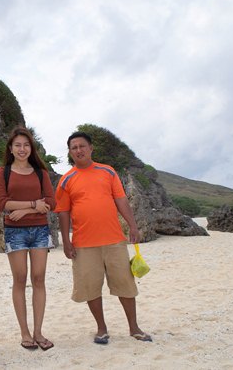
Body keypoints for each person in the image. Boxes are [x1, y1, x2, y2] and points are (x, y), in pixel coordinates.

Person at [55, 131, 152, 344]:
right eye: (74, 148)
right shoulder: (66, 180)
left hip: (114, 240)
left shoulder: (107, 172)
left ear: (91, 148)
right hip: (83, 243)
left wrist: (133, 227)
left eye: (82, 146)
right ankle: (101, 328)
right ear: (70, 153)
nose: (78, 150)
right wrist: (66, 241)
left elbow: (121, 200)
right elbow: (63, 212)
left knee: (125, 284)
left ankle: (134, 328)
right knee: (90, 287)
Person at [0, 127, 56, 351]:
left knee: (38, 279)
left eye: (26, 145)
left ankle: (39, 332)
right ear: (11, 148)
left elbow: (51, 202)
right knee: (19, 279)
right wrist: (32, 205)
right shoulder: (4, 172)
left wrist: (25, 212)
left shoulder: (41, 173)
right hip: (15, 232)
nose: (22, 149)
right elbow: (2, 203)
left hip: (40, 230)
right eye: (17, 145)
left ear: (31, 148)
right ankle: (25, 333)